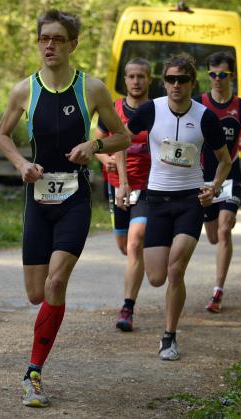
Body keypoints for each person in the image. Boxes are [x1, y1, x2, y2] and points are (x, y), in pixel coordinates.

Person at [0, 10, 130, 407]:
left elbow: (123, 135)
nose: (49, 45)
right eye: (43, 39)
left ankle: (33, 373)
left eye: (57, 39)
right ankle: (51, 312)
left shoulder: (93, 89)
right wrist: (22, 164)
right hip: (38, 199)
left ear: (73, 44)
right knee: (38, 293)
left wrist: (95, 146)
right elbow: (2, 134)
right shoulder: (24, 90)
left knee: (55, 283)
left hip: (74, 199)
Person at [127, 54, 231, 360]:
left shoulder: (205, 117)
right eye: (171, 79)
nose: (176, 85)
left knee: (175, 270)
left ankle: (169, 336)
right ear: (164, 82)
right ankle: (169, 328)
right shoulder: (151, 110)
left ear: (191, 83)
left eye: (182, 80)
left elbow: (225, 160)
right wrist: (119, 174)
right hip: (156, 199)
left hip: (190, 200)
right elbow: (122, 138)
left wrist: (212, 187)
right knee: (156, 277)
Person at [193, 51, 241, 313]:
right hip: (202, 176)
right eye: (212, 74)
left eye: (222, 74)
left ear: (231, 76)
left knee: (224, 230)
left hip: (230, 175)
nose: (217, 79)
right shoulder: (198, 102)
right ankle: (218, 285)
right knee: (211, 235)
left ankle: (217, 291)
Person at [95, 58, 152, 331]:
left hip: (148, 186)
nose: (136, 81)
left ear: (149, 79)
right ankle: (138, 263)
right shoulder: (114, 109)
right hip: (116, 184)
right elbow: (99, 138)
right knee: (123, 245)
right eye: (131, 76)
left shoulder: (157, 110)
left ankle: (127, 308)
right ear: (125, 80)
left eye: (141, 76)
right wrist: (102, 156)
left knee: (135, 243)